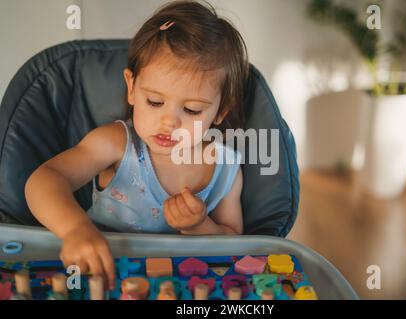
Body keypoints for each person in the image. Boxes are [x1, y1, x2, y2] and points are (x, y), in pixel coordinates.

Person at [25, 0, 249, 290]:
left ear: (221, 112)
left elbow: (238, 243)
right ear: (131, 88)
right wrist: (75, 230)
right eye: (155, 102)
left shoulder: (225, 167)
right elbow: (44, 180)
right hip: (101, 276)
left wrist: (199, 226)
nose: (169, 122)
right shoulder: (117, 144)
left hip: (179, 288)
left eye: (192, 110)